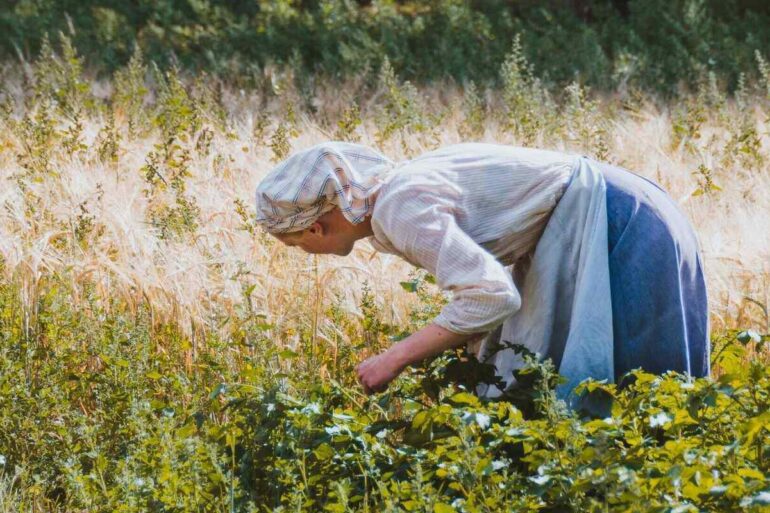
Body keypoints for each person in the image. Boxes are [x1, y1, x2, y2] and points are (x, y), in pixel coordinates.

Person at [254, 141, 709, 407]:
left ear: (313, 226)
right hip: (628, 207)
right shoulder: (398, 194)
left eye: (297, 244)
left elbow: (491, 296)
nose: (305, 252)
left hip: (619, 222)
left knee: (643, 390)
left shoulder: (399, 208)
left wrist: (393, 358)